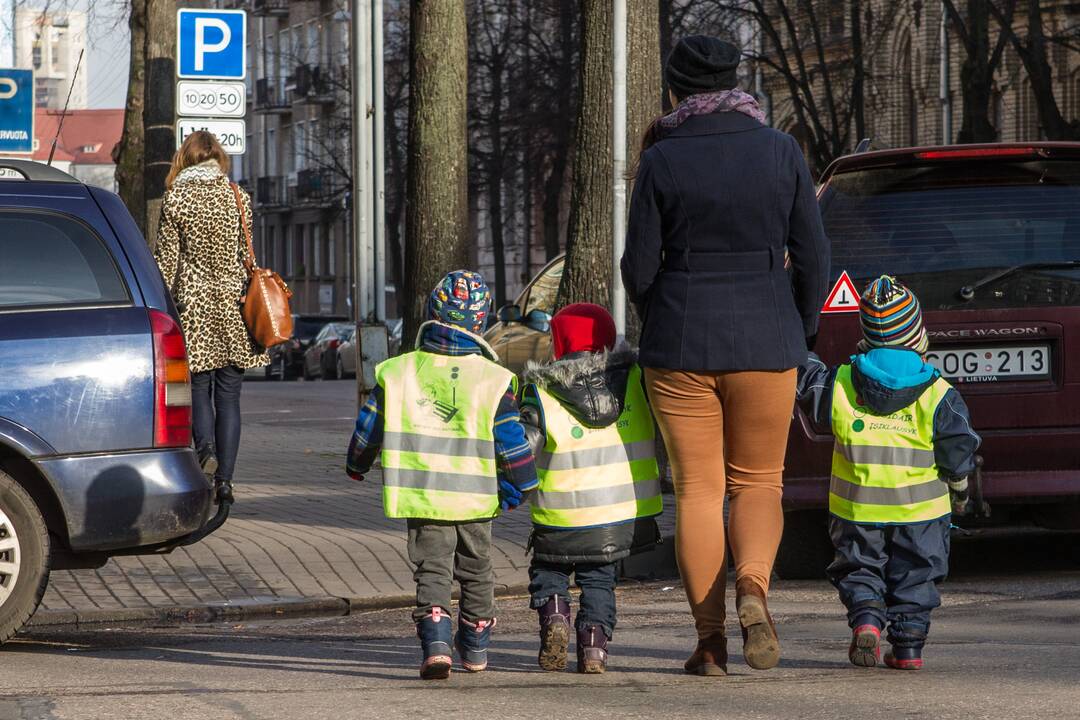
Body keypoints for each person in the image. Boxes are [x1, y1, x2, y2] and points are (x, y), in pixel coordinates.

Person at [620, 35, 830, 675]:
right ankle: (754, 591)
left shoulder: (661, 159)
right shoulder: (780, 151)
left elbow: (638, 267)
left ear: (676, 89)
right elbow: (814, 255)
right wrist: (802, 328)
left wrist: (658, 317)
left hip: (680, 343)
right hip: (768, 341)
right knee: (760, 483)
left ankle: (709, 643)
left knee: (700, 492)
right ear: (736, 84)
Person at [345, 270, 538, 680]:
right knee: (477, 569)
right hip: (475, 499)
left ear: (433, 312)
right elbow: (510, 438)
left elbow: (369, 424)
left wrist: (357, 463)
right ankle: (476, 645)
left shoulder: (398, 371)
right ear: (481, 321)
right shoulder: (493, 378)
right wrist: (523, 483)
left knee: (431, 569)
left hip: (423, 495)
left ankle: (436, 645)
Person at [796, 276, 980, 670]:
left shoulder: (841, 383)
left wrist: (799, 346)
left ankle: (866, 621)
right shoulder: (938, 393)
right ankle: (909, 650)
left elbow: (808, 384)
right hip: (922, 515)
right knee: (916, 575)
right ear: (917, 335)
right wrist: (961, 492)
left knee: (860, 568)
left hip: (857, 510)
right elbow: (958, 451)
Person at [519, 303, 663, 675]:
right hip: (618, 516)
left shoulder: (542, 391)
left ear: (559, 343)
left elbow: (524, 447)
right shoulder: (638, 381)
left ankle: (554, 618)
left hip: (558, 515)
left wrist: (506, 487)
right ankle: (594, 649)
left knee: (549, 571)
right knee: (600, 580)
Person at [155, 131, 267, 504]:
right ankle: (227, 481)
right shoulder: (238, 197)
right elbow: (244, 251)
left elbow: (166, 264)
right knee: (230, 395)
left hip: (196, 309)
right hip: (235, 306)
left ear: (185, 159)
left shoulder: (176, 200)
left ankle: (205, 453)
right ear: (217, 159)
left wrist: (157, 304)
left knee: (199, 388)